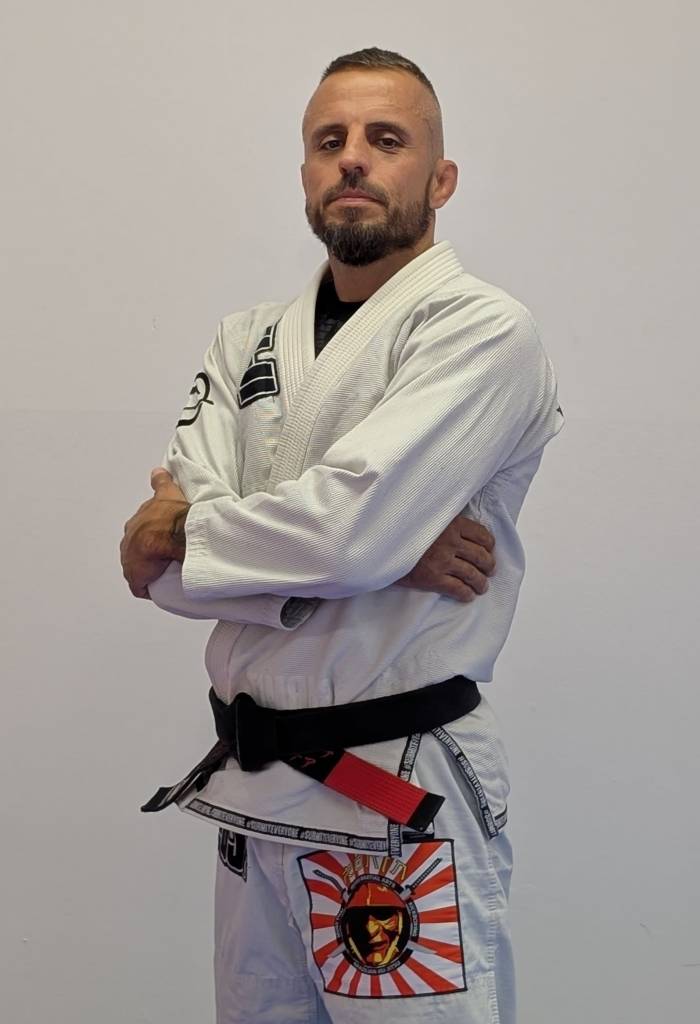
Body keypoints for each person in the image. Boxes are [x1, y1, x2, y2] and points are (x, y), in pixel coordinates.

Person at [121, 46, 563, 1024]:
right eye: (330, 141)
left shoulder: (482, 330)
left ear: (440, 179)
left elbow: (337, 537)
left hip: (392, 784)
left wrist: (323, 544)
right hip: (251, 790)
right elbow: (163, 571)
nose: (352, 157)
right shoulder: (244, 339)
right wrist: (382, 552)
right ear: (305, 174)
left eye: (386, 139)